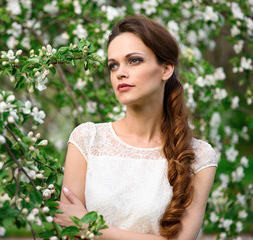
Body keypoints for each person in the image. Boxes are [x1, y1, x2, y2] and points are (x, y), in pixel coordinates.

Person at [53, 16, 218, 240]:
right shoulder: (87, 139)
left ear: (166, 69)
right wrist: (80, 226)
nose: (120, 72)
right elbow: (68, 228)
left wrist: (90, 227)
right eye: (113, 65)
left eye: (134, 60)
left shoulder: (199, 157)